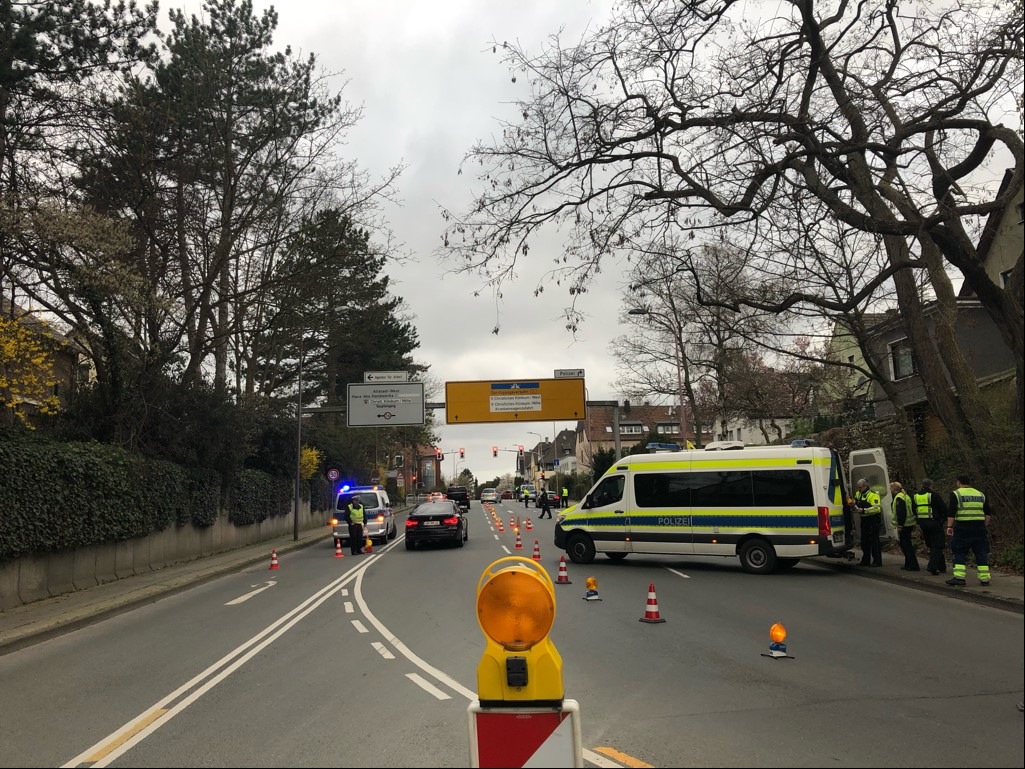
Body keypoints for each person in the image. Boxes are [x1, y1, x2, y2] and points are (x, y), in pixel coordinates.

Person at [944, 474, 994, 586]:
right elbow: (988, 513)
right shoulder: (980, 494)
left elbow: (951, 512)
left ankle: (959, 578)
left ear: (958, 482)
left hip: (963, 528)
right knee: (981, 552)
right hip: (979, 528)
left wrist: (949, 527)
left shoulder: (956, 494)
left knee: (959, 551)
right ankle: (984, 579)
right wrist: (984, 526)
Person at [913, 478, 948, 575]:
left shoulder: (915, 496)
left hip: (923, 524)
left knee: (932, 545)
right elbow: (944, 509)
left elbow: (913, 510)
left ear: (922, 485)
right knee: (938, 545)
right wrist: (942, 521)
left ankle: (942, 567)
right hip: (934, 522)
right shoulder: (934, 495)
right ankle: (932, 566)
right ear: (931, 485)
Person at [853, 478, 883, 567]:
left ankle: (877, 561)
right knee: (864, 542)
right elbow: (856, 503)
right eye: (858, 487)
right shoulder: (858, 494)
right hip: (864, 520)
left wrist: (864, 510)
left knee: (874, 542)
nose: (859, 489)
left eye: (860, 487)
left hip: (873, 520)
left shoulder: (873, 495)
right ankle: (865, 560)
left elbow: (877, 508)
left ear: (865, 486)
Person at [890, 481, 919, 571]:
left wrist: (900, 526)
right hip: (909, 523)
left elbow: (901, 512)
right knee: (906, 544)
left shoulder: (899, 498)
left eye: (891, 488)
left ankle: (913, 565)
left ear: (894, 489)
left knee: (906, 545)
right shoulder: (905, 496)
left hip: (905, 525)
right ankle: (908, 564)